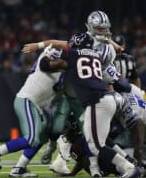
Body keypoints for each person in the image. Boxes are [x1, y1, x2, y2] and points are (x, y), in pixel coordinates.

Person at [39, 35, 141, 178]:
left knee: (95, 146)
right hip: (107, 98)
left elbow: (45, 66)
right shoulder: (97, 56)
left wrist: (47, 54)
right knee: (94, 142)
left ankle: (128, 167)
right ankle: (127, 163)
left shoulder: (73, 54)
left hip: (96, 101)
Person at [0, 45, 64, 177]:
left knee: (41, 137)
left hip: (36, 105)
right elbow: (45, 64)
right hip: (27, 100)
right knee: (31, 138)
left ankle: (19, 168)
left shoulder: (65, 70)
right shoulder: (50, 58)